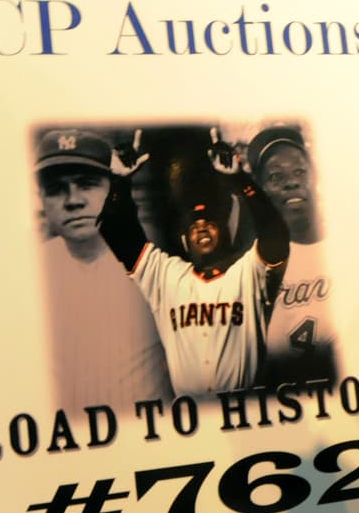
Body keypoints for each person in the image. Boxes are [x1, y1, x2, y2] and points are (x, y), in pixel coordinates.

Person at [96, 129, 289, 398]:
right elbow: (116, 233)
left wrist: (239, 179)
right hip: (190, 416)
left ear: (225, 233)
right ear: (185, 242)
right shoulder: (166, 276)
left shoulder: (247, 274)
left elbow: (276, 236)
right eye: (194, 225)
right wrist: (119, 182)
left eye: (209, 222)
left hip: (244, 409)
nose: (201, 227)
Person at [34, 128, 173, 409]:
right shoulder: (31, 270)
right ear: (42, 198)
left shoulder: (159, 255)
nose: (73, 200)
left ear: (113, 186)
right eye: (57, 189)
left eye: (86, 184)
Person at [245, 123, 340, 389]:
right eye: (276, 176)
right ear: (260, 187)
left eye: (300, 171)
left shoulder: (344, 248)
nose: (292, 182)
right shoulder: (250, 265)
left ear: (314, 177)